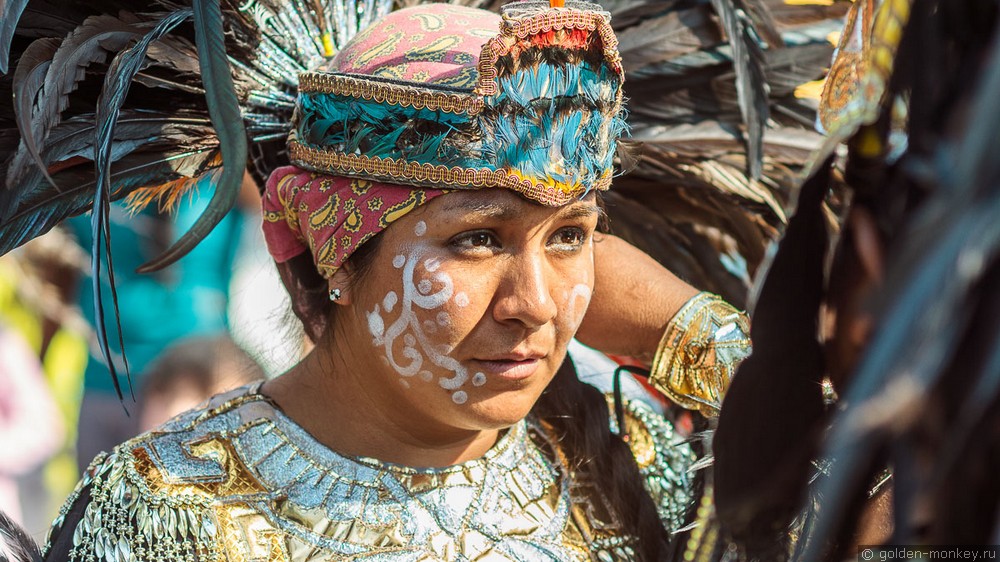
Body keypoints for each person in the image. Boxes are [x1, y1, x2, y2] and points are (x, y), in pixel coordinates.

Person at [2, 1, 754, 561]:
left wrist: (707, 343)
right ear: (318, 242)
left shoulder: (626, 458)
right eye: (478, 239)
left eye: (569, 237)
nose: (536, 303)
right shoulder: (172, 513)